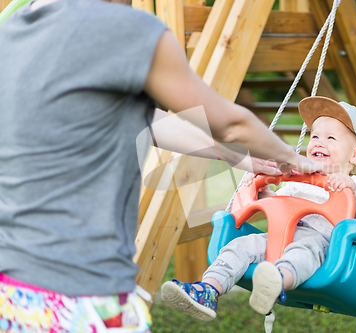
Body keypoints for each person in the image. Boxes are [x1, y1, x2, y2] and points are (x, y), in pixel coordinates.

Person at [0, 0, 323, 331]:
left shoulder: (12, 27)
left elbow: (148, 122)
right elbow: (231, 124)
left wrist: (236, 156)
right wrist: (292, 158)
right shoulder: (127, 29)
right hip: (80, 290)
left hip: (10, 287)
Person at [161, 96, 356, 321]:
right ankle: (208, 290)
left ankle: (275, 282)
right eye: (314, 136)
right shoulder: (299, 180)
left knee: (303, 252)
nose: (318, 142)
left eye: (331, 138)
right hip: (278, 238)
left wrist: (352, 190)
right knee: (239, 246)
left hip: (322, 244)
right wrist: (261, 188)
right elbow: (278, 203)